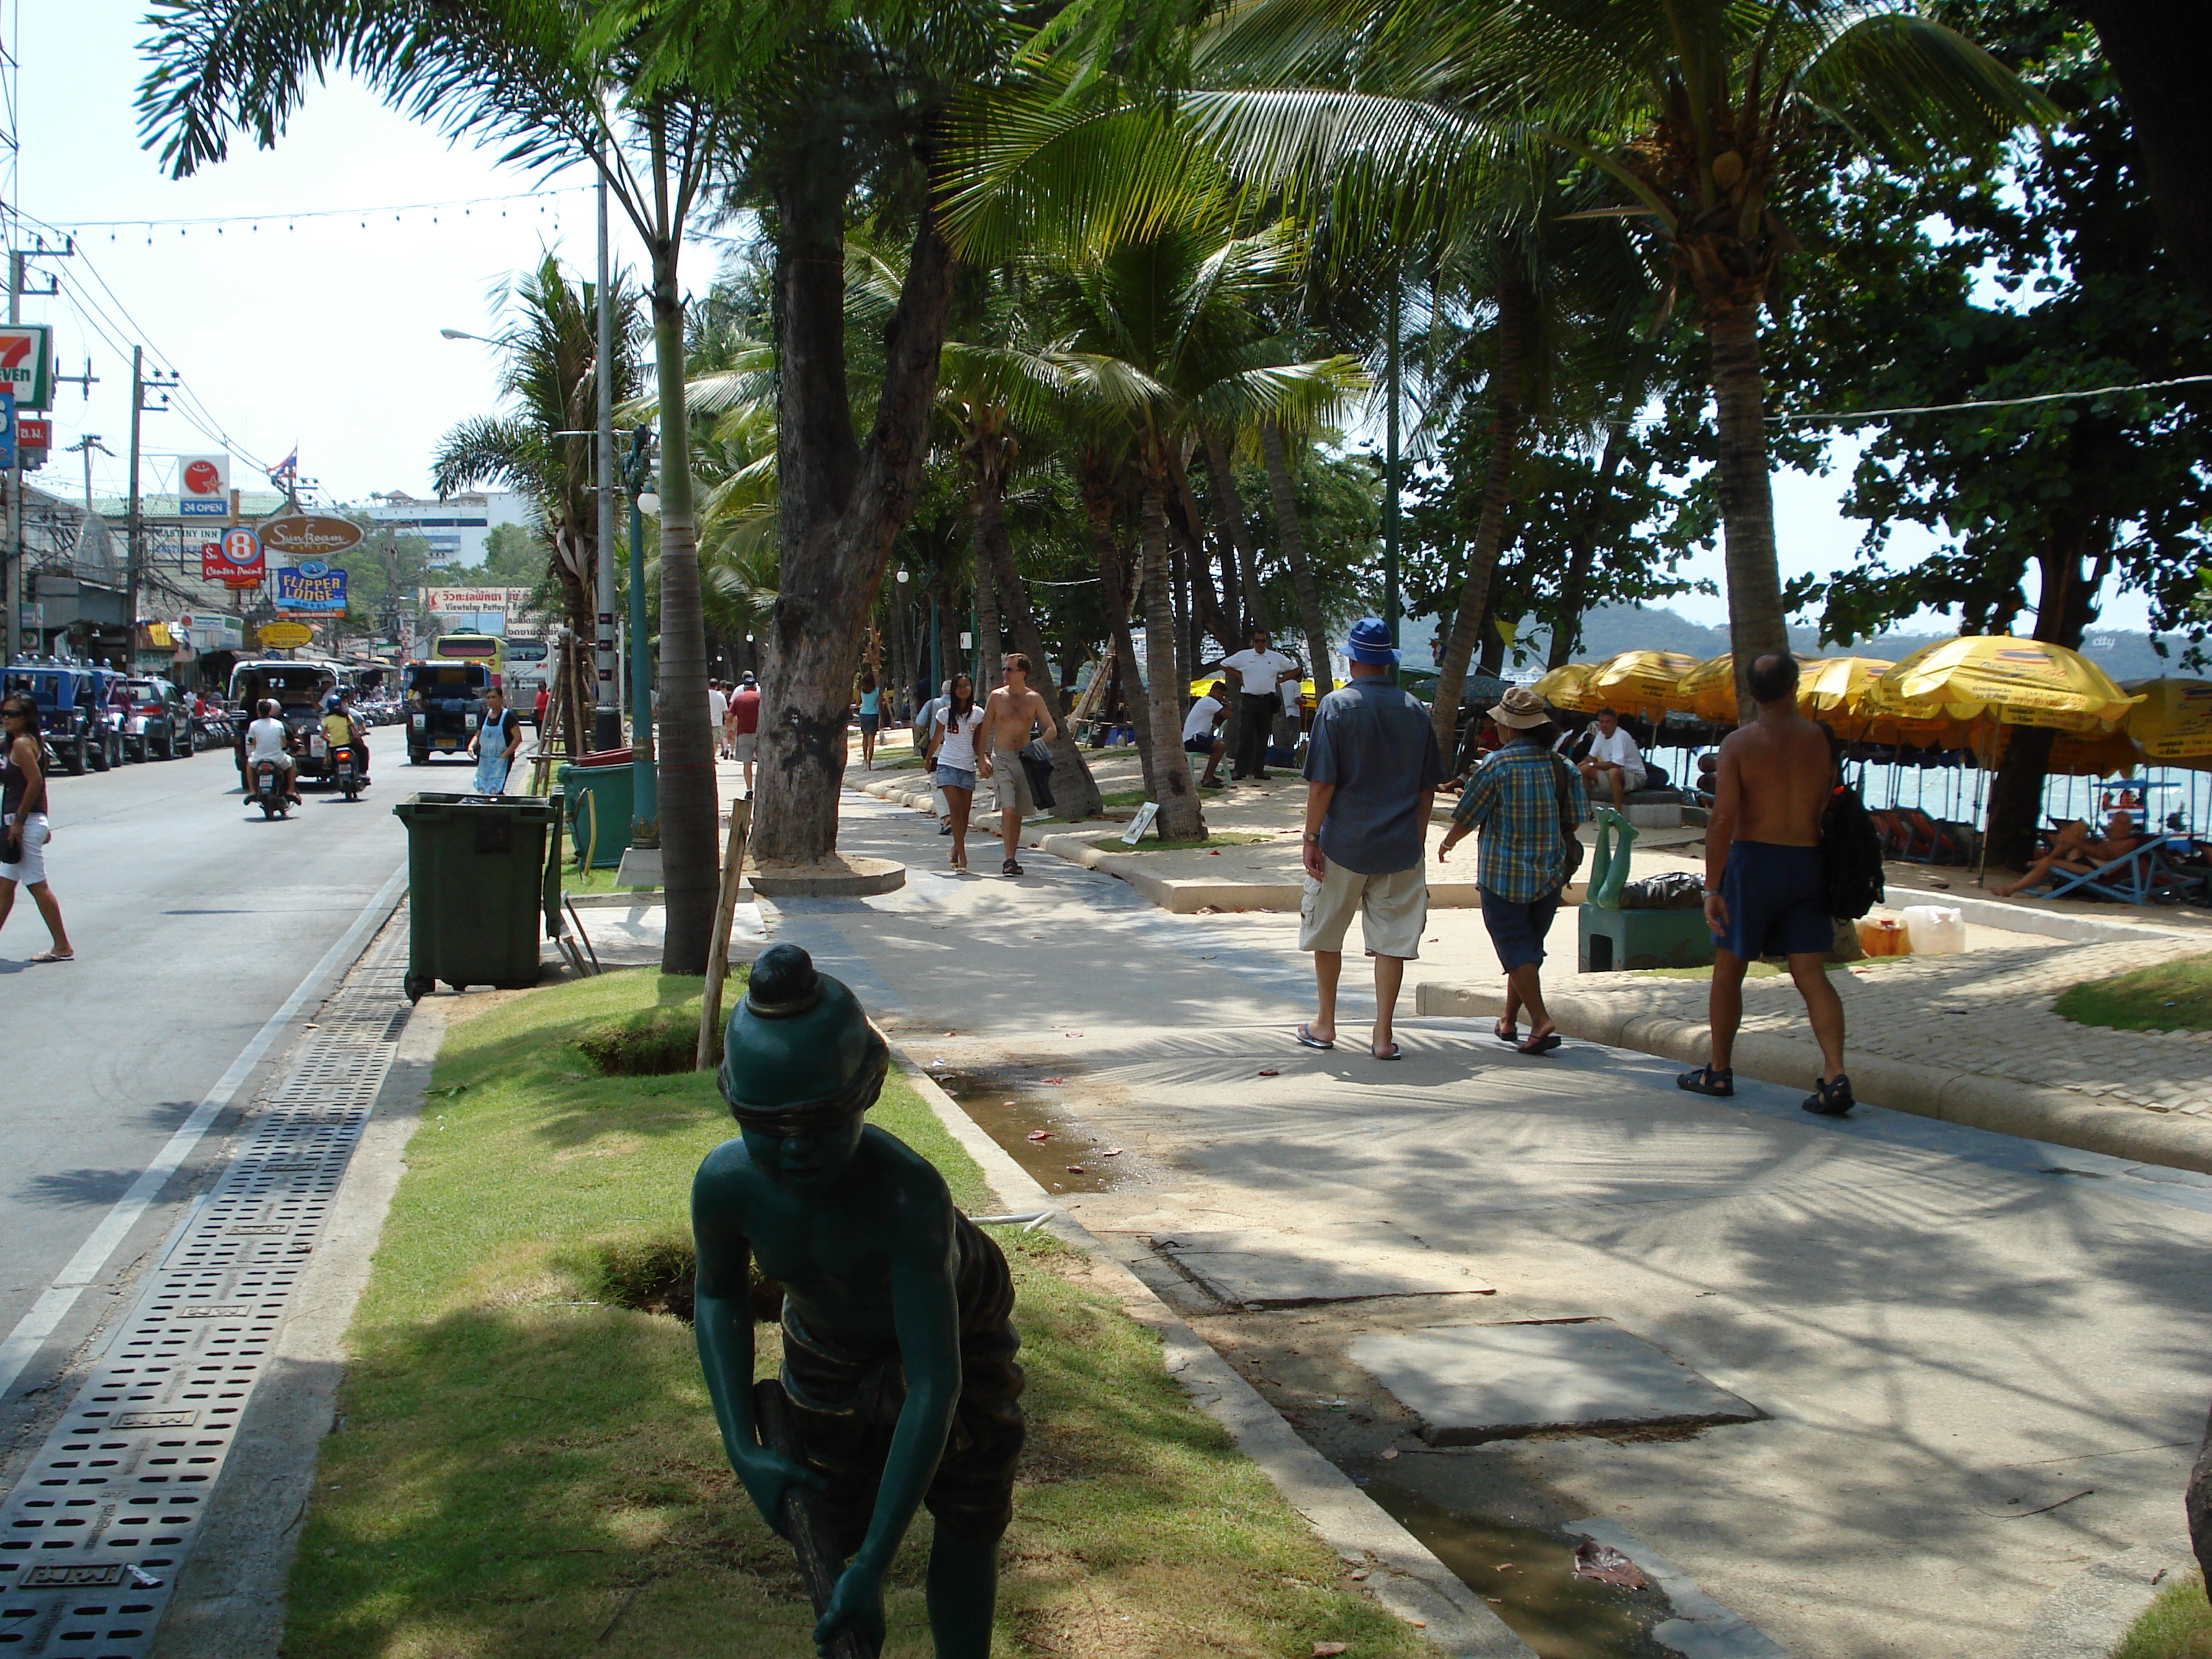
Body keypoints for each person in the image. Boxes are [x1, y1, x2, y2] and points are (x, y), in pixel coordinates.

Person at [694, 945, 1022, 1659]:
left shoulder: (908, 1199)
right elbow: (716, 1294)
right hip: (826, 1340)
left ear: (868, 1092)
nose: (795, 1151)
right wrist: (743, 1447)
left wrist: (875, 1569)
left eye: (820, 1122)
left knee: (968, 1505)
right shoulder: (725, 1185)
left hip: (955, 1328)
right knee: (828, 1512)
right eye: (768, 1127)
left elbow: (934, 1383)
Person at [1678, 652, 1853, 1116]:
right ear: (1794, 687)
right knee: (1811, 974)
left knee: (1729, 968)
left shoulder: (1739, 743)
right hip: (1808, 859)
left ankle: (1719, 1069)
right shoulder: (1820, 739)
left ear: (1751, 692)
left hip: (1755, 860)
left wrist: (1712, 887)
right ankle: (1835, 1072)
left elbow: (1722, 819)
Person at [1294, 618, 1444, 1061]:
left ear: (1352, 659)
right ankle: (1382, 1035)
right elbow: (1426, 789)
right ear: (1387, 662)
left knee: (1327, 931)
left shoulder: (1336, 707)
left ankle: (1325, 1023)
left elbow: (1322, 784)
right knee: (1392, 940)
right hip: (1399, 845)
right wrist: (1414, 840)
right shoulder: (1416, 709)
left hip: (1343, 841)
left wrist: (1310, 837)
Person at [1438, 687, 1588, 1056]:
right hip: (1549, 874)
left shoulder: (1496, 766)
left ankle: (1540, 1021)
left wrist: (1449, 843)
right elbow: (1575, 820)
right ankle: (1509, 1018)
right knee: (1527, 949)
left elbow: (1467, 816)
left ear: (1509, 728)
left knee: (1515, 948)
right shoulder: (1563, 768)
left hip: (1502, 876)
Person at [0, 693, 73, 963]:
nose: (5, 718)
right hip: (24, 822)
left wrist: (21, 821)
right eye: (3, 713)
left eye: (12, 714)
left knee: (37, 886)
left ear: (26, 718)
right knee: (5, 888)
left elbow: (35, 783)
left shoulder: (21, 744)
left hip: (22, 823)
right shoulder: (18, 744)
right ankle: (62, 945)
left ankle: (63, 946)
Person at [978, 654, 1058, 878]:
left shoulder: (1034, 698)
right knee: (1008, 808)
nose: (1006, 673)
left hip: (1024, 759)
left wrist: (1037, 744)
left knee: (1019, 812)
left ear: (1023, 673)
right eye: (1005, 669)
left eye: (1011, 669)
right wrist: (982, 758)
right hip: (1001, 757)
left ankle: (1012, 858)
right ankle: (1008, 858)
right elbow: (985, 729)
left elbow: (1051, 728)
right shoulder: (996, 697)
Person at [1989, 810, 2150, 898]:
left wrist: (2075, 841)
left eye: (2126, 823)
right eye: (2118, 822)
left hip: (2095, 871)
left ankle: (2010, 889)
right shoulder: (2112, 839)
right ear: (2112, 824)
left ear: (2131, 826)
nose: (2122, 826)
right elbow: (2100, 850)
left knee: (2049, 864)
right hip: (2088, 862)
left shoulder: (2130, 842)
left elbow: (2104, 856)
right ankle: (2049, 857)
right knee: (2079, 827)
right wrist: (2076, 838)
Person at [1218, 626, 1302, 782]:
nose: (1260, 644)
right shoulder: (1244, 656)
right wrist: (1239, 676)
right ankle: (1240, 770)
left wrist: (1281, 680)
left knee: (1263, 735)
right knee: (1246, 735)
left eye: (1263, 641)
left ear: (1266, 642)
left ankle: (1259, 769)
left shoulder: (1276, 657)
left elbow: (1295, 669)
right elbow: (1224, 664)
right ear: (1253, 641)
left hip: (1267, 699)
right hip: (1249, 699)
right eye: (1257, 641)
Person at [927, 674, 985, 872]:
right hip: (947, 764)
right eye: (959, 686)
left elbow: (978, 742)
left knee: (965, 813)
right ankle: (963, 857)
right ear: (953, 690)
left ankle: (955, 849)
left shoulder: (978, 714)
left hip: (967, 766)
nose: (963, 689)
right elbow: (936, 737)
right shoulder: (944, 713)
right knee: (955, 810)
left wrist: (983, 760)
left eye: (966, 685)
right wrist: (928, 759)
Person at [1577, 707, 1647, 809]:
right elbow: (1591, 756)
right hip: (1614, 775)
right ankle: (1586, 809)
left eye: (1607, 722)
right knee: (1584, 770)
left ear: (1615, 723)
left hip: (1635, 776)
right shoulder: (1600, 735)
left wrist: (1591, 764)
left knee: (1613, 772)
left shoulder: (1621, 735)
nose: (1604, 725)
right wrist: (1581, 764)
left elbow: (1616, 764)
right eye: (1602, 722)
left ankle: (1618, 812)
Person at [243, 698, 300, 805]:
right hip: (277, 758)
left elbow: (253, 743)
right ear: (270, 711)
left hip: (258, 758)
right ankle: (290, 790)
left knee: (249, 764)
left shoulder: (253, 725)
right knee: (292, 763)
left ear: (258, 711)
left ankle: (251, 791)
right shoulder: (278, 724)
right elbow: (283, 743)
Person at [472, 684, 523, 796]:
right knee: (484, 787)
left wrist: (505, 755)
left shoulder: (508, 716)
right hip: (485, 758)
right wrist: (471, 746)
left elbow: (518, 738)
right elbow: (478, 734)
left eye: (493, 697)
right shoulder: (484, 715)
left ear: (501, 697)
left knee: (497, 788)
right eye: (488, 698)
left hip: (502, 760)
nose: (491, 700)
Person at [1182, 680, 1229, 788]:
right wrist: (1228, 707)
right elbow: (1228, 715)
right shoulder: (1209, 701)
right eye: (1219, 694)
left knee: (1220, 745)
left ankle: (1210, 776)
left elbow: (1217, 723)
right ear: (1212, 691)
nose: (1221, 697)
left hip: (1197, 738)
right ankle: (1207, 778)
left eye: (1223, 695)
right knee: (1220, 746)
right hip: (1193, 739)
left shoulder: (1208, 703)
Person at [321, 688, 370, 782]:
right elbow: (355, 730)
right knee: (364, 750)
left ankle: (332, 773)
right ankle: (362, 772)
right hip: (349, 744)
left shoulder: (327, 719)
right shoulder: (347, 716)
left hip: (334, 746)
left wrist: (332, 740)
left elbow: (322, 735)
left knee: (331, 758)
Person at [730, 670, 762, 798]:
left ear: (744, 687)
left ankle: (749, 790)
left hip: (744, 733)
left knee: (747, 763)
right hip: (760, 733)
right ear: (755, 686)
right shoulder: (761, 697)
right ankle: (762, 787)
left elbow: (730, 715)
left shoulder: (738, 698)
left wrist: (730, 730)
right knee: (762, 762)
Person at [857, 670, 882, 770]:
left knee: (865, 738)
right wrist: (882, 718)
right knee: (871, 740)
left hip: (863, 714)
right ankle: (870, 763)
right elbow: (879, 705)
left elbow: (858, 703)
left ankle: (864, 760)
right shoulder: (877, 691)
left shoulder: (862, 690)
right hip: (873, 715)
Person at [709, 678, 730, 762]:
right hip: (717, 722)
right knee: (716, 741)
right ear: (717, 686)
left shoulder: (705, 694)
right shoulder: (721, 696)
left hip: (706, 721)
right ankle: (712, 758)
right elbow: (725, 710)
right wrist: (727, 722)